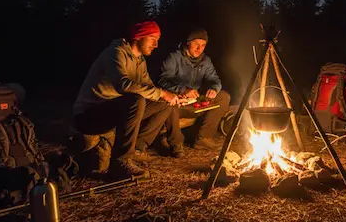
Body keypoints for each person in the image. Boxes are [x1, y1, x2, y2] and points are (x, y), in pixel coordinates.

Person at [72, 21, 185, 180]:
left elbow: (150, 88)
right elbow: (122, 85)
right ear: (138, 37)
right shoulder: (115, 53)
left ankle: (136, 148)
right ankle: (120, 163)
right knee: (136, 100)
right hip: (89, 115)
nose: (156, 44)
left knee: (163, 104)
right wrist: (161, 93)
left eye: (158, 40)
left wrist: (173, 96)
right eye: (153, 39)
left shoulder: (140, 61)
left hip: (116, 110)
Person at [158, 28, 230, 151]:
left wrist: (214, 88)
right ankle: (172, 140)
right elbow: (162, 81)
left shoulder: (205, 61)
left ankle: (204, 138)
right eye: (196, 44)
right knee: (168, 105)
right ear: (188, 42)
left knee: (224, 96)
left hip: (195, 102)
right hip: (178, 103)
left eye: (203, 45)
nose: (199, 49)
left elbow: (215, 79)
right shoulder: (174, 57)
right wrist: (182, 90)